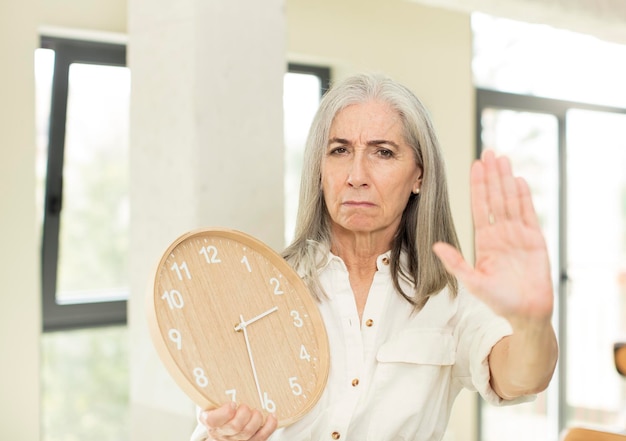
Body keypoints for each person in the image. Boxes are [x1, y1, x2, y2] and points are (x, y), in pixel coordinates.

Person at [190, 72, 558, 441]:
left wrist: (532, 325)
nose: (356, 175)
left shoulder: (447, 295)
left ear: (419, 176)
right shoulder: (263, 288)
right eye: (340, 150)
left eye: (383, 152)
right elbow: (215, 422)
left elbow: (521, 376)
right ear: (319, 170)